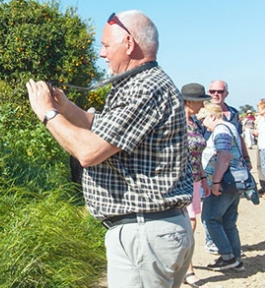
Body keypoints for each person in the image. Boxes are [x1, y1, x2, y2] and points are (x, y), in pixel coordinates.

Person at [26, 10, 193, 287]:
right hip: (153, 231)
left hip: (144, 234)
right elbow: (101, 126)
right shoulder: (143, 83)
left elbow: (89, 152)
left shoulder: (145, 88)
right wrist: (65, 107)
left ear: (128, 43)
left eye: (105, 45)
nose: (102, 54)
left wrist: (47, 113)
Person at [203, 80, 251, 255]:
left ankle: (227, 254)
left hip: (223, 174)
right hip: (219, 172)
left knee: (212, 216)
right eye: (212, 91)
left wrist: (246, 158)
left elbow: (226, 153)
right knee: (225, 218)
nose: (216, 94)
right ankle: (227, 250)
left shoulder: (232, 115)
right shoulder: (205, 112)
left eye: (220, 91)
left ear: (226, 93)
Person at [198, 102, 245, 271]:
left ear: (212, 116)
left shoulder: (220, 131)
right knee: (228, 221)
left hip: (224, 183)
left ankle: (228, 256)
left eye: (203, 118)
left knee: (210, 218)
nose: (203, 123)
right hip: (234, 182)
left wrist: (216, 182)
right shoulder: (231, 127)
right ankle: (236, 259)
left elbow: (224, 156)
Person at [181, 83, 212, 288]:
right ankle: (186, 268)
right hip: (179, 180)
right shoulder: (176, 123)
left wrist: (203, 178)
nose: (203, 105)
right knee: (187, 223)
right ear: (189, 101)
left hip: (193, 180)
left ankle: (182, 264)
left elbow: (198, 154)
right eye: (200, 101)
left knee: (190, 223)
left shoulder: (195, 123)